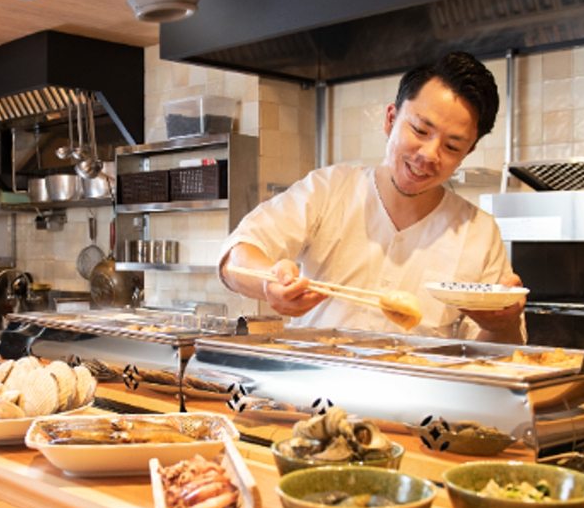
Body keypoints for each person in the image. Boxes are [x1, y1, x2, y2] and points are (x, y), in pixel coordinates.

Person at [217, 51, 525, 342]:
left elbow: (501, 355)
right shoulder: (330, 189)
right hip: (312, 390)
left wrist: (503, 324)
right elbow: (236, 255)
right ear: (391, 119)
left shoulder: (479, 232)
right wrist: (270, 281)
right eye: (419, 130)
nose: (429, 155)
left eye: (452, 147)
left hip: (421, 393)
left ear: (468, 152)